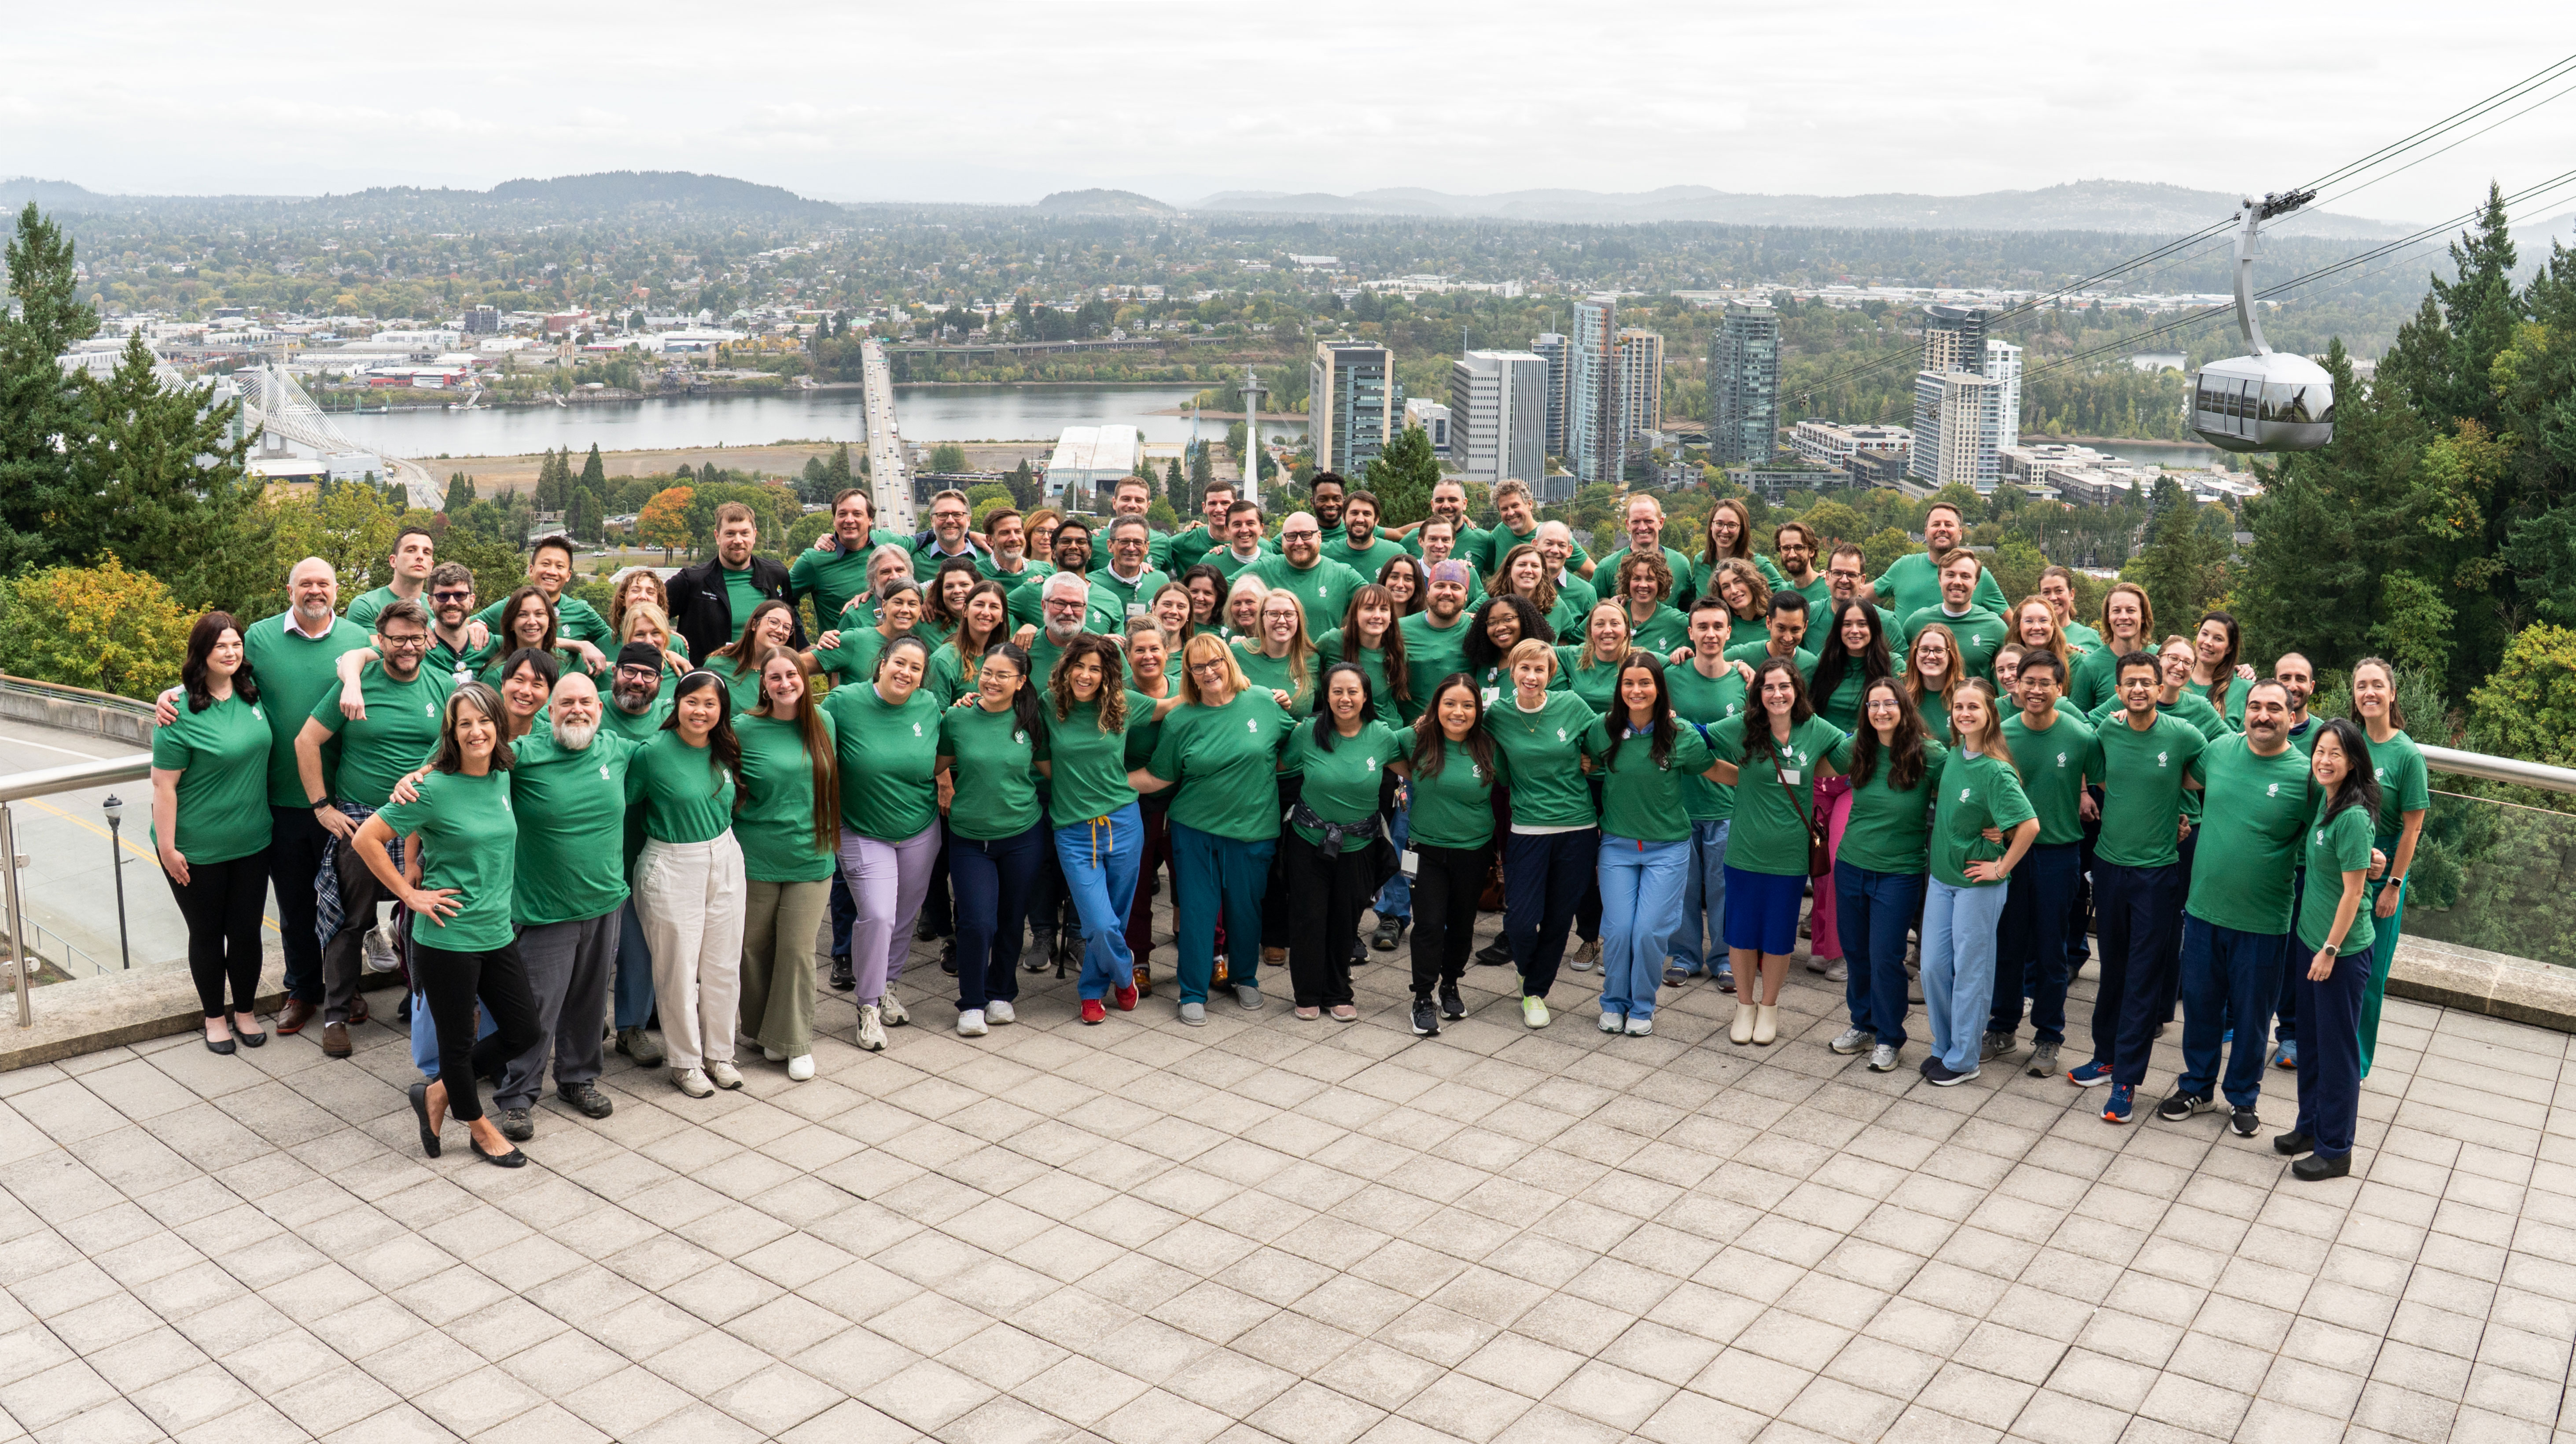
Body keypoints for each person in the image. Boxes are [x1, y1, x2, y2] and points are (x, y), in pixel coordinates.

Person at [349, 682, 540, 1168]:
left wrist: (414, 849)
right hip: (447, 935)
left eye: (484, 721)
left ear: (497, 724)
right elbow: (368, 838)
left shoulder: (501, 774)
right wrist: (407, 892)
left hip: (495, 931)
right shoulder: (431, 786)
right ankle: (479, 1128)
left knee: (524, 1031)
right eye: (464, 724)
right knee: (456, 1044)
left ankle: (436, 1094)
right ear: (451, 734)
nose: (476, 731)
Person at [2151, 679, 2315, 1132]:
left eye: (2273, 709)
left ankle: (2242, 1097)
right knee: (2201, 1006)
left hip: (2264, 920)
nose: (2262, 715)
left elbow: (2331, 832)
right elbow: (2176, 778)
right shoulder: (2220, 750)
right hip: (2204, 909)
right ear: (2244, 711)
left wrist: (2372, 861)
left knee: (2251, 1015)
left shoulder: (2305, 775)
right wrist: (2174, 819)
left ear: (2291, 714)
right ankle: (2196, 1088)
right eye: (2255, 706)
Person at [297, 599, 453, 1057]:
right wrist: (322, 806)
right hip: (363, 819)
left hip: (425, 821)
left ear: (428, 640)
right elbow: (306, 741)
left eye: (416, 637)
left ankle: (421, 999)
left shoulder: (443, 685)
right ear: (379, 641)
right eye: (398, 638)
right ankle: (336, 1014)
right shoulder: (357, 683)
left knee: (423, 911)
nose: (407, 646)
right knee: (352, 919)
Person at [1127, 634, 1293, 1026]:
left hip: (1254, 829)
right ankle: (1192, 991)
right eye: (1197, 666)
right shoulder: (1180, 719)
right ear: (1188, 673)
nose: (1208, 671)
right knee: (1199, 911)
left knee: (1245, 909)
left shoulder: (1264, 702)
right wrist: (1102, 781)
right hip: (1194, 829)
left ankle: (1245, 977)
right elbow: (1158, 776)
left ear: (1229, 661)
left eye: (1215, 661)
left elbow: (1295, 746)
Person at [2072, 651, 2207, 1095]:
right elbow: (2097, 772)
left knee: (2142, 975)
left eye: (2145, 683)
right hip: (2109, 867)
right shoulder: (2106, 729)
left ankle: (2126, 1082)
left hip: (2156, 874)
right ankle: (2104, 1056)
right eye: (2129, 682)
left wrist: (2180, 814)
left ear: (2160, 688)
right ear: (2117, 689)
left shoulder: (2184, 734)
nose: (2137, 690)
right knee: (2111, 967)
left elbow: (2213, 774)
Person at [1708, 656, 1851, 1046]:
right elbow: (1700, 739)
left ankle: (1769, 1006)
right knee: (1740, 934)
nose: (1777, 694)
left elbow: (1848, 754)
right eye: (1768, 687)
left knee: (1778, 936)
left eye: (1784, 686)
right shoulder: (1743, 728)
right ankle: (1744, 1005)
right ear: (1758, 693)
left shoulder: (1816, 729)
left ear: (1797, 691)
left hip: (1790, 857)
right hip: (1744, 851)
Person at [151, 613, 273, 1054]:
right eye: (221, 645)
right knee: (206, 932)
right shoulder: (178, 710)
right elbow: (164, 784)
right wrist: (168, 847)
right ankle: (214, 1017)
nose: (230, 652)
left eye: (236, 644)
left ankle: (244, 1010)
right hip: (196, 845)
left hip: (252, 840)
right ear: (202, 651)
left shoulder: (254, 695)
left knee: (245, 932)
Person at [627, 670, 749, 1098]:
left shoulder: (724, 747)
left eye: (710, 703)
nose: (701, 711)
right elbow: (619, 805)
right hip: (672, 863)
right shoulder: (651, 753)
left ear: (722, 710)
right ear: (676, 703)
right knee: (678, 969)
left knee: (722, 964)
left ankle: (720, 1053)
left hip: (725, 854)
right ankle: (685, 1061)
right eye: (692, 701)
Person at [1588, 652, 1722, 1037]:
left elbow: (1713, 769)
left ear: (1659, 688)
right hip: (1617, 846)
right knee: (1617, 931)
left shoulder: (1679, 733)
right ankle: (1613, 1003)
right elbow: (1579, 757)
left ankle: (1642, 1006)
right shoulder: (1603, 729)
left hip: (1668, 848)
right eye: (1629, 683)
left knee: (1648, 932)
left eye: (1645, 682)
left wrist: (1762, 786)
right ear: (1620, 689)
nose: (1637, 690)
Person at [820, 634, 942, 1050]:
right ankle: (868, 1005)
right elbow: (811, 745)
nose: (906, 673)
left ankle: (889, 985)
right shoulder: (843, 702)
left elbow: (945, 751)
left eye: (916, 668)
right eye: (900, 663)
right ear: (882, 662)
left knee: (905, 916)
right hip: (861, 829)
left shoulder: (928, 707)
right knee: (878, 915)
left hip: (920, 830)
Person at [1917, 681, 2039, 1086]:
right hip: (1942, 879)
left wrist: (2001, 868)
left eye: (1973, 707)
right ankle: (1944, 1045)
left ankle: (1965, 1058)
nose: (1964, 713)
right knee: (1934, 966)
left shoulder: (1996, 770)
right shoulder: (1954, 755)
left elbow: (2029, 825)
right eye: (1958, 707)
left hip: (1978, 886)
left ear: (1990, 714)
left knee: (1971, 972)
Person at [2278, 718, 2382, 1181]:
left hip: (2337, 953)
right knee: (2312, 1044)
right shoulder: (2325, 801)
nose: (2322, 759)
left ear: (2353, 762)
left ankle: (2336, 1148)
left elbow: (2353, 893)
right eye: (2319, 751)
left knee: (2337, 1051)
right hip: (2310, 942)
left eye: (2334, 753)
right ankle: (2309, 1127)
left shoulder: (2353, 816)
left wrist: (2329, 949)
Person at [1988, 651, 2100, 1079]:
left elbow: (2104, 782)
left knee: (2051, 950)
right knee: (2007, 944)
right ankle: (2000, 1028)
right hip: (2011, 854)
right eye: (2027, 681)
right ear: (2014, 685)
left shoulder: (2079, 735)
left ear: (2060, 688)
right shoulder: (2000, 733)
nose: (2035, 690)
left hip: (2058, 854)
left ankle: (2048, 1036)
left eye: (2044, 683)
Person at [1278, 663, 1406, 1020]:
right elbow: (1276, 764)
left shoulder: (1382, 736)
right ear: (1327, 696)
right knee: (1308, 918)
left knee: (1344, 921)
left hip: (1359, 847)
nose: (1345, 699)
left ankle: (1338, 992)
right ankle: (1306, 993)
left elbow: (1413, 770)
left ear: (1366, 697)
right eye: (1337, 691)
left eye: (1353, 692)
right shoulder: (1307, 732)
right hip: (1308, 840)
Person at [1485, 639, 1602, 1028]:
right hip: (1528, 828)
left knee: (1557, 920)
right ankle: (1528, 971)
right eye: (1525, 669)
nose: (1532, 677)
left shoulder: (1571, 705)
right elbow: (1490, 762)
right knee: (1520, 919)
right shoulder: (1497, 715)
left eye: (1540, 670)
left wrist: (1588, 760)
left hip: (1578, 827)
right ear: (1512, 671)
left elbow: (1603, 745)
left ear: (1551, 675)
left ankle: (1535, 992)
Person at [733, 647, 838, 1080]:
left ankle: (795, 1042)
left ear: (803, 677)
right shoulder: (743, 728)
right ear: (763, 683)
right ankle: (763, 1032)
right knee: (752, 950)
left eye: (791, 675)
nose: (784, 684)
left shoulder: (823, 722)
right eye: (774, 677)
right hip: (756, 855)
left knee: (796, 951)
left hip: (811, 857)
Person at [1043, 634, 1157, 1022]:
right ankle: (1125, 978)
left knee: (1117, 916)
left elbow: (1176, 706)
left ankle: (1092, 992)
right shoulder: (1049, 704)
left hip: (1124, 822)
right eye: (1080, 666)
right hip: (1074, 829)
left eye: (1095, 668)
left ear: (1108, 674)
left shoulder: (1123, 705)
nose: (1086, 675)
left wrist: (1245, 689)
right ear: (1067, 666)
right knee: (1100, 921)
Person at [937, 642, 1048, 1037]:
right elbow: (937, 765)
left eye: (1003, 675)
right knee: (976, 921)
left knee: (1011, 919)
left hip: (1022, 835)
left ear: (1021, 682)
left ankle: (1001, 992)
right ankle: (971, 1002)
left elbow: (1051, 770)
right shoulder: (958, 717)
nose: (992, 681)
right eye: (987, 672)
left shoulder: (1033, 719)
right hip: (969, 838)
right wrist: (943, 786)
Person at [1831, 679, 1942, 1073]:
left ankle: (1889, 1037)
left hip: (1899, 873)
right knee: (1856, 953)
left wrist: (1992, 828)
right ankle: (1863, 1023)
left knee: (1885, 957)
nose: (1880, 711)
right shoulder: (1857, 747)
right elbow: (1814, 755)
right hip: (1851, 866)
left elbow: (1966, 790)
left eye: (1889, 704)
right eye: (1873, 705)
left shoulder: (1929, 754)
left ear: (1904, 707)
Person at [1404, 675, 1503, 1037]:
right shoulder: (1414, 739)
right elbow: (1379, 750)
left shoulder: (1489, 747)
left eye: (1467, 705)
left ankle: (1450, 985)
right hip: (1423, 851)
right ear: (1436, 706)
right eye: (1450, 704)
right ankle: (1422, 998)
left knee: (1462, 925)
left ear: (1479, 710)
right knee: (1428, 925)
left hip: (1473, 852)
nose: (1458, 712)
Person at [1666, 595, 1751, 991]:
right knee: (1684, 884)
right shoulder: (1671, 675)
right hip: (1679, 800)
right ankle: (1684, 955)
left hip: (1728, 802)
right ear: (1690, 633)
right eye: (1703, 627)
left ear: (1729, 632)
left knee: (1723, 887)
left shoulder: (1744, 680)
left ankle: (1724, 958)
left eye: (1718, 626)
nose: (1711, 634)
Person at [2349, 658, 2428, 1077]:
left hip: (2385, 871)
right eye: (2362, 686)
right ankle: (2326, 1046)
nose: (2370, 693)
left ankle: (2355, 1062)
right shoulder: (2349, 742)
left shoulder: (2407, 754)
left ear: (2392, 693)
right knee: (2336, 961)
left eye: (2377, 685)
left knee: (2370, 970)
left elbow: (2413, 827)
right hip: (2345, 865)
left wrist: (2394, 884)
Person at [601, 643, 671, 1062]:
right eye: (630, 671)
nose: (638, 681)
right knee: (587, 951)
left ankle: (632, 1027)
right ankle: (590, 1023)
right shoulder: (591, 710)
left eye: (648, 675)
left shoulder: (668, 717)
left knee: (640, 947)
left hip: (649, 851)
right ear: (615, 670)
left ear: (660, 683)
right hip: (594, 851)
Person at [1120, 619, 1180, 994]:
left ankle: (1209, 955)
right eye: (1139, 650)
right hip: (1133, 805)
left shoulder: (1183, 687)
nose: (1147, 656)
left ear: (1168, 652)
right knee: (1137, 887)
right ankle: (1137, 960)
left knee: (1192, 885)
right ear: (1127, 656)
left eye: (1154, 649)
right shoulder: (1118, 695)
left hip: (1183, 805)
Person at [669, 502, 802, 664]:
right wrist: (667, 638)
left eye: (744, 533)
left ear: (754, 535)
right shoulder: (693, 581)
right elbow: (647, 613)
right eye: (730, 534)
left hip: (764, 679)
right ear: (718, 537)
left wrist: (805, 650)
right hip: (708, 682)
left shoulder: (776, 575)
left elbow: (792, 619)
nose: (738, 541)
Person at [471, 534, 612, 670]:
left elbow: (613, 642)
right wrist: (477, 625)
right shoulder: (510, 607)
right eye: (546, 564)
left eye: (560, 567)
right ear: (531, 570)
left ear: (569, 575)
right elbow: (463, 628)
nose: (552, 572)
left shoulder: (582, 611)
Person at [791, 487, 915, 624]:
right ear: (834, 520)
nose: (849, 520)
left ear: (870, 520)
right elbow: (779, 593)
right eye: (843, 514)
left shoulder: (888, 542)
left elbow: (924, 540)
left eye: (857, 514)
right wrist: (801, 642)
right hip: (844, 643)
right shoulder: (814, 560)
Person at [1869, 502, 2006, 619]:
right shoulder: (1904, 567)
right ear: (1926, 531)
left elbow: (2013, 626)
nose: (1942, 529)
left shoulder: (1978, 575)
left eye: (1948, 525)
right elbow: (1860, 598)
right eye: (1936, 525)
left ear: (1960, 534)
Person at [1250, 511, 1369, 634]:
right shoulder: (1264, 569)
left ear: (1319, 537)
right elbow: (1228, 589)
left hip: (1323, 653)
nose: (1299, 542)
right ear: (1283, 540)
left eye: (1306, 535)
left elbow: (1379, 604)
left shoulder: (1343, 575)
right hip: (1276, 654)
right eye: (1291, 536)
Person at [1897, 552, 2007, 684]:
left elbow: (2008, 674)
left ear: (1976, 583)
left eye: (1966, 577)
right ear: (1940, 579)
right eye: (1950, 575)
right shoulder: (1917, 622)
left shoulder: (1995, 627)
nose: (1957, 582)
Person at [1315, 584, 1410, 729]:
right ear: (1355, 614)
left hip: (1387, 729)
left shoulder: (1397, 650)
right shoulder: (1332, 642)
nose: (1377, 615)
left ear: (1391, 617)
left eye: (1384, 609)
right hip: (1341, 729)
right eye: (1369, 608)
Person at [814, 574, 923, 687]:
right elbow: (798, 666)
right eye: (898, 603)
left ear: (920, 611)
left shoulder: (918, 648)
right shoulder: (855, 640)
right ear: (884, 606)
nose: (905, 610)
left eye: (912, 604)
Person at [1596, 494, 1697, 608]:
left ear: (1661, 523)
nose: (1643, 528)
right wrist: (1609, 607)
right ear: (1627, 525)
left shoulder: (1680, 565)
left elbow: (1690, 613)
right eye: (1636, 522)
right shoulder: (1606, 567)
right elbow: (1592, 616)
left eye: (1649, 521)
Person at [1234, 587, 1319, 719]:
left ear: (1299, 620)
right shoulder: (1236, 654)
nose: (1282, 620)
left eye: (1289, 614)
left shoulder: (1312, 660)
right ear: (1262, 620)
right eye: (1273, 614)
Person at [2069, 582, 2154, 714]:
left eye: (2131, 611)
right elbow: (2078, 722)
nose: (2123, 617)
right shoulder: (2090, 666)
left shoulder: (2160, 658)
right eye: (2116, 611)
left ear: (2143, 616)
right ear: (2108, 617)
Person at [928, 580, 1013, 704]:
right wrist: (962, 710)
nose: (985, 613)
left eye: (994, 607)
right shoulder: (943, 660)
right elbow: (934, 716)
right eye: (979, 605)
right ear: (965, 611)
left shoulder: (1008, 657)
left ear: (1002, 617)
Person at [344, 526, 441, 632]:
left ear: (432, 566)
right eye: (411, 550)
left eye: (426, 552)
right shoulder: (367, 606)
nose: (420, 557)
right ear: (393, 561)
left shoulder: (439, 606)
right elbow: (376, 648)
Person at [710, 599, 799, 714]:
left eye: (787, 628)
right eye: (773, 622)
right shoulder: (719, 665)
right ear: (754, 624)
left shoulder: (789, 676)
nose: (780, 631)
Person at [1493, 542, 1589, 642]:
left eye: (1535, 566)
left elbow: (1570, 638)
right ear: (1509, 569)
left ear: (1543, 571)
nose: (1529, 570)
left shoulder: (1554, 604)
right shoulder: (1492, 600)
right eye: (1522, 565)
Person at [1089, 516, 1170, 630]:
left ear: (1147, 547)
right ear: (1110, 545)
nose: (1131, 548)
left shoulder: (1161, 582)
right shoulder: (1091, 584)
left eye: (1138, 542)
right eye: (1124, 542)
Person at [1695, 496, 1784, 600]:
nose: (1724, 531)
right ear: (1711, 526)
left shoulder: (1759, 565)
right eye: (1719, 524)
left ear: (1742, 529)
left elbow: (1788, 598)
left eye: (1732, 525)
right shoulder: (1701, 562)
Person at [1556, 602, 1634, 715]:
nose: (1607, 630)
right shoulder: (1574, 655)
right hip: (1580, 729)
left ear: (1627, 630)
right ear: (1590, 631)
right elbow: (1537, 650)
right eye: (1600, 624)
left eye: (1615, 624)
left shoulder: (1640, 660)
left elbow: (1668, 665)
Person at [1609, 550, 1689, 658]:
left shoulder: (1677, 621)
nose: (1643, 585)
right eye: (1637, 578)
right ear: (1628, 582)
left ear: (1660, 583)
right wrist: (1610, 608)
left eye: (1650, 579)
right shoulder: (1613, 613)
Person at [2182, 611, 2250, 731]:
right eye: (2205, 634)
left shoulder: (2244, 688)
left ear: (2229, 648)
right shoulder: (2176, 676)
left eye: (2218, 639)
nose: (2208, 642)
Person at [1321, 489, 1409, 580]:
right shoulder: (1324, 554)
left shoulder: (1396, 554)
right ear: (1344, 517)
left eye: (1367, 514)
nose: (1360, 519)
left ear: (1377, 520)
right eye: (1354, 513)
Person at [1904, 623, 1963, 745]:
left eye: (1939, 651)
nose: (1931, 656)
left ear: (1951, 656)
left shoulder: (1966, 694)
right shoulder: (1900, 694)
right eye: (1924, 650)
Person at [911, 488, 983, 578]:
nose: (950, 521)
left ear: (968, 520)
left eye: (957, 515)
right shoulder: (915, 563)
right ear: (932, 521)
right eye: (943, 515)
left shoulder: (988, 558)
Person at [1708, 558, 1773, 652]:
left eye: (1738, 581)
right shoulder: (1718, 626)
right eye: (1726, 587)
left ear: (1751, 582)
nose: (1734, 591)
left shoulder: (1775, 619)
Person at [1768, 520, 1830, 613]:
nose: (1792, 555)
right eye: (1786, 548)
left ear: (1812, 551)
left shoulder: (1828, 588)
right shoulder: (1782, 592)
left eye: (1799, 548)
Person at [2039, 566, 2104, 653]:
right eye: (2046, 592)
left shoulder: (2090, 636)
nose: (2053, 598)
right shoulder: (2032, 636)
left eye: (2059, 591)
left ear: (2072, 594)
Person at [1376, 553, 1424, 617]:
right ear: (1384, 580)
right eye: (1394, 577)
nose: (1400, 585)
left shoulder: (1426, 620)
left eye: (1408, 579)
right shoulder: (1373, 619)